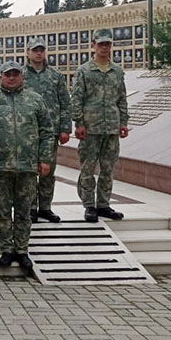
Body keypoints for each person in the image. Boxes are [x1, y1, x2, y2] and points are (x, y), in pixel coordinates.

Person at [0, 61, 53, 271]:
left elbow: (47, 132)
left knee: (23, 211)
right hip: (1, 166)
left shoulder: (35, 100)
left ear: (22, 76)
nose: (11, 78)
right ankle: (6, 249)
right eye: (7, 74)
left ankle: (22, 250)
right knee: (3, 212)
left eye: (15, 74)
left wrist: (45, 159)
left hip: (27, 166)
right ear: (0, 76)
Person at [70, 29, 129, 223]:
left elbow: (121, 98)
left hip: (111, 127)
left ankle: (103, 204)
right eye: (101, 44)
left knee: (108, 168)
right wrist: (78, 123)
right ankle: (89, 205)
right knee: (88, 168)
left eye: (108, 44)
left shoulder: (117, 71)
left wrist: (123, 122)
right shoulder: (84, 71)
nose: (104, 47)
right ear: (93, 45)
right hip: (91, 127)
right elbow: (77, 98)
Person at [23, 37, 71, 223]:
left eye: (41, 50)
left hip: (49, 132)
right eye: (35, 50)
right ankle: (31, 208)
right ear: (28, 52)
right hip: (27, 131)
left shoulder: (56, 76)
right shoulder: (20, 75)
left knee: (47, 172)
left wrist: (65, 128)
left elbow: (65, 103)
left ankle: (45, 207)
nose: (38, 53)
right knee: (29, 173)